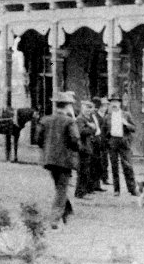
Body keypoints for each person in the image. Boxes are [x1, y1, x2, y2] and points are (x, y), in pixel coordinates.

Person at [33, 91, 80, 229]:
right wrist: (76, 149)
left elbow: (38, 139)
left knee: (59, 185)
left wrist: (47, 149)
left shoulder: (45, 120)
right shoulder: (69, 121)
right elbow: (75, 140)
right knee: (61, 188)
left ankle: (68, 212)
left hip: (49, 159)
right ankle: (54, 218)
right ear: (67, 106)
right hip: (65, 160)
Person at [103, 95, 137, 196]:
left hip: (124, 142)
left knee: (128, 166)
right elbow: (104, 131)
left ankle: (132, 189)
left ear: (120, 104)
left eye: (116, 102)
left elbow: (134, 128)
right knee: (114, 166)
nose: (114, 104)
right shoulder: (107, 117)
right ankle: (116, 190)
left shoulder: (126, 115)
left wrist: (126, 124)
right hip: (113, 142)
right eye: (112, 102)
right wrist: (107, 142)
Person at [74, 100, 97, 199]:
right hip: (82, 148)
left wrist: (92, 127)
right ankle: (80, 193)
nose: (88, 111)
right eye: (86, 109)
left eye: (89, 109)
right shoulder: (80, 119)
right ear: (82, 108)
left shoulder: (86, 119)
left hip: (87, 147)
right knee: (82, 172)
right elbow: (81, 132)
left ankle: (82, 191)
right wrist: (92, 128)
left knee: (86, 171)